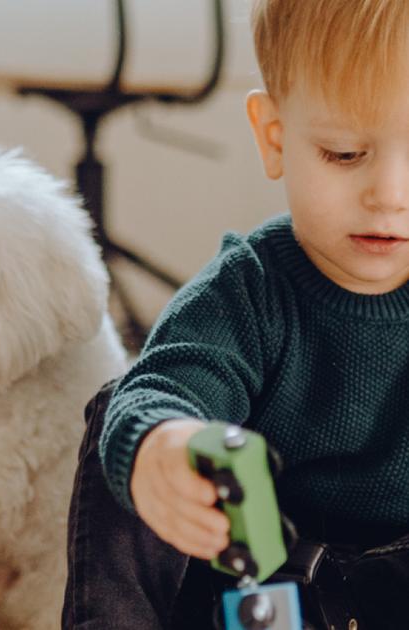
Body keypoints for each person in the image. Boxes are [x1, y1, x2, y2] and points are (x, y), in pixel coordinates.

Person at [62, 0, 409, 628]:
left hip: (391, 586)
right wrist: (164, 448)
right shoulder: (249, 289)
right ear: (274, 139)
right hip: (250, 577)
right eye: (343, 153)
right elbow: (164, 389)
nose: (390, 195)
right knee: (130, 424)